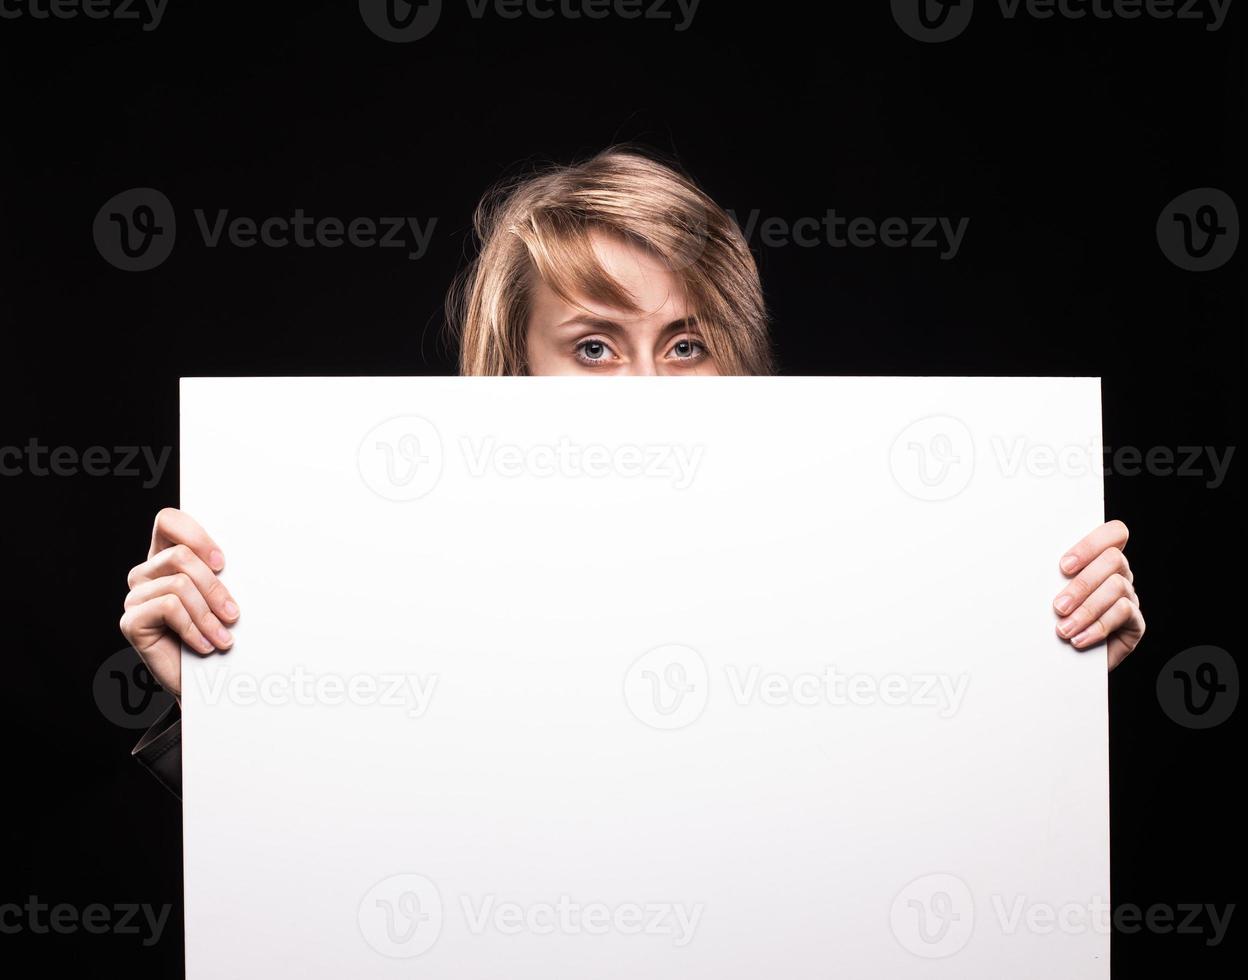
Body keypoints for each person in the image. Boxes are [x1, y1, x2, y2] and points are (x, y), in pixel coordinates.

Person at [120, 147, 1146, 798]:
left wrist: (1044, 686)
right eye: (596, 345)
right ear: (513, 366)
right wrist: (222, 707)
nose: (649, 387)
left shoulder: (850, 608)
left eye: (688, 343)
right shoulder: (403, 612)